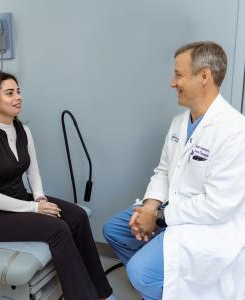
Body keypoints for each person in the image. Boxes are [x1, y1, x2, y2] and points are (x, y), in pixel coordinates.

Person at [103, 41, 245, 300]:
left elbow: (218, 206)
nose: (172, 82)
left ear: (204, 76)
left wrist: (158, 216)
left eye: (178, 74)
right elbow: (164, 171)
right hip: (171, 210)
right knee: (113, 230)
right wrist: (149, 207)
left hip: (209, 226)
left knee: (140, 272)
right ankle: (164, 286)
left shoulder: (235, 131)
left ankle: (155, 281)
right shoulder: (179, 123)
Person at [0, 70, 116, 300]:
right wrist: (35, 209)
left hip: (22, 200)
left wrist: (39, 198)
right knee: (58, 229)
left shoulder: (22, 130)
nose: (18, 97)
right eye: (10, 93)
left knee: (77, 216)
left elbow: (33, 171)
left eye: (18, 91)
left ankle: (103, 292)